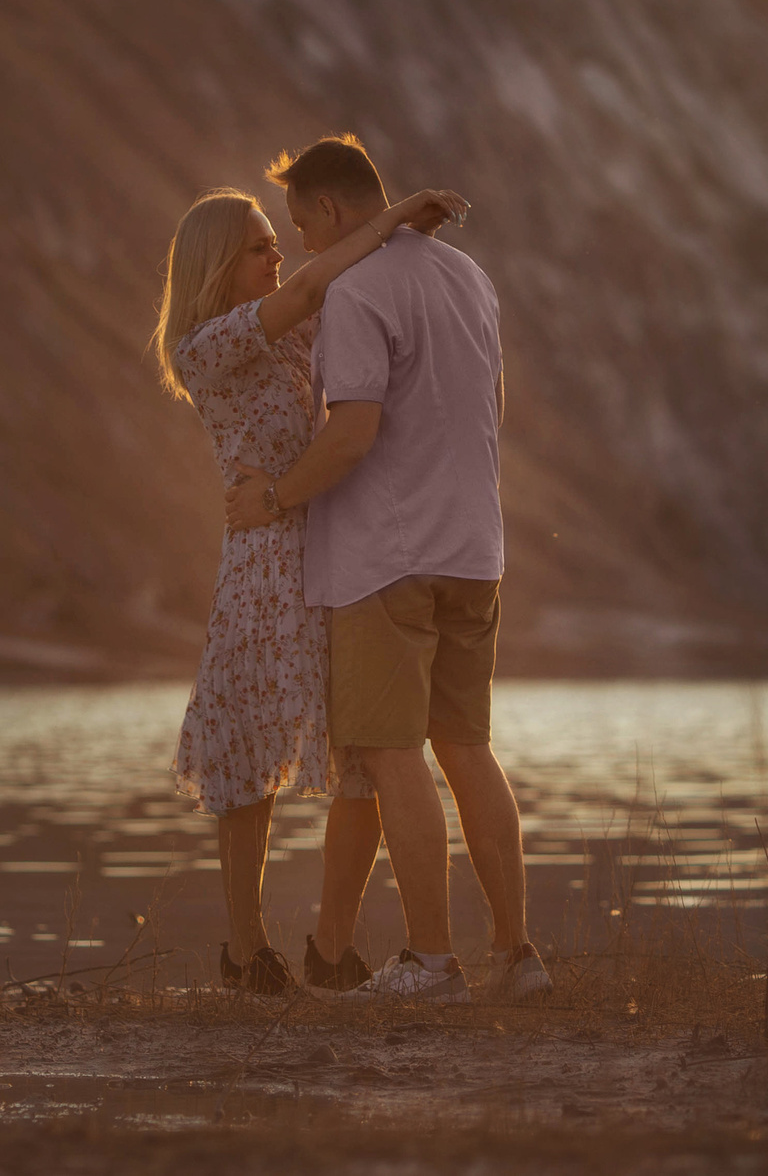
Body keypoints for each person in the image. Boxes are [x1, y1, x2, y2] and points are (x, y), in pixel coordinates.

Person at [226, 135, 550, 1005]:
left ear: (332, 209)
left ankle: (433, 961)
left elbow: (352, 430)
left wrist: (275, 498)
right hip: (474, 547)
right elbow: (492, 405)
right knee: (469, 747)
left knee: (392, 752)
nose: (300, 249)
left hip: (386, 558)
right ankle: (517, 955)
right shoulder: (467, 277)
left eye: (301, 226)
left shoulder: (356, 291)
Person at [152, 177, 468, 994]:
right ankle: (247, 949)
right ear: (219, 261)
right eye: (258, 244)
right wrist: (391, 216)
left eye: (274, 239)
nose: (276, 253)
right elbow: (311, 286)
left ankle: (330, 944)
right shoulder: (207, 343)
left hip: (333, 547)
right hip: (262, 567)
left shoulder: (292, 337)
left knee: (363, 748)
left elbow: (353, 324)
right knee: (249, 759)